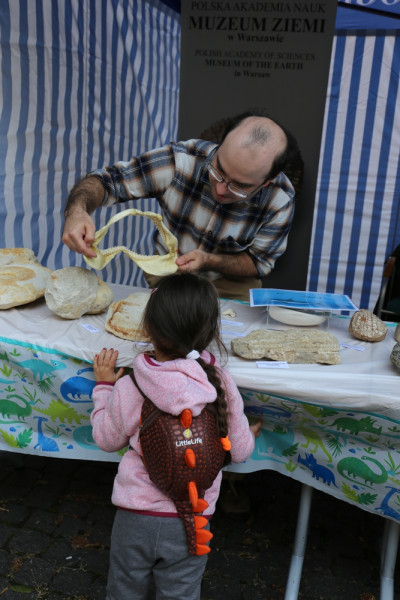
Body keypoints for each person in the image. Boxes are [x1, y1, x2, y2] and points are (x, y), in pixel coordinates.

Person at [91, 272, 262, 600]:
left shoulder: (131, 386)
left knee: (124, 591)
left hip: (135, 515)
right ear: (211, 332)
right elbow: (239, 451)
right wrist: (248, 433)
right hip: (193, 520)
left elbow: (106, 438)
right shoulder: (221, 384)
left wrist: (103, 389)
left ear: (148, 329)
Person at [62, 109, 301, 301]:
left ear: (266, 182)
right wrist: (77, 210)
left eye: (239, 186)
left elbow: (259, 262)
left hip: (230, 283)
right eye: (218, 171)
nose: (220, 189)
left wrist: (210, 261)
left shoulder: (279, 198)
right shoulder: (180, 160)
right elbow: (107, 181)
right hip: (169, 272)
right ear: (219, 146)